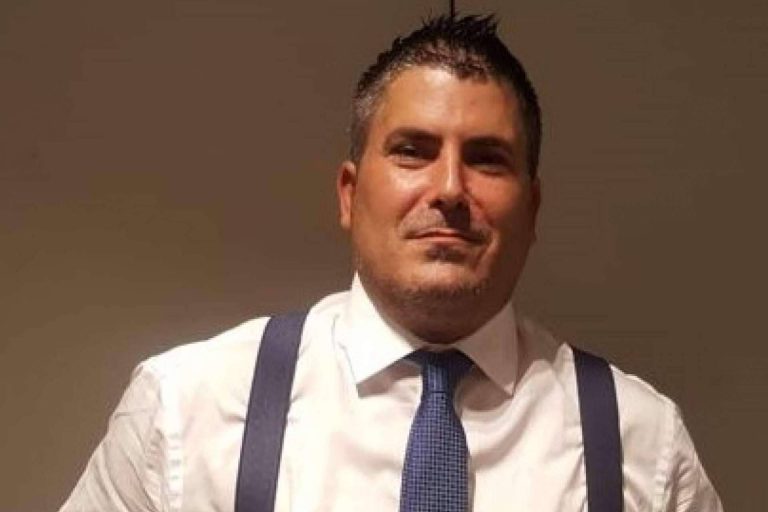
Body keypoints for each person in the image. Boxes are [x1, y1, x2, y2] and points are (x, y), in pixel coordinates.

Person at [59, 14, 723, 512]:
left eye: (487, 159)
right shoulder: (184, 412)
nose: (450, 189)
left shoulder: (643, 443)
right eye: (412, 151)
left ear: (533, 206)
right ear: (350, 194)